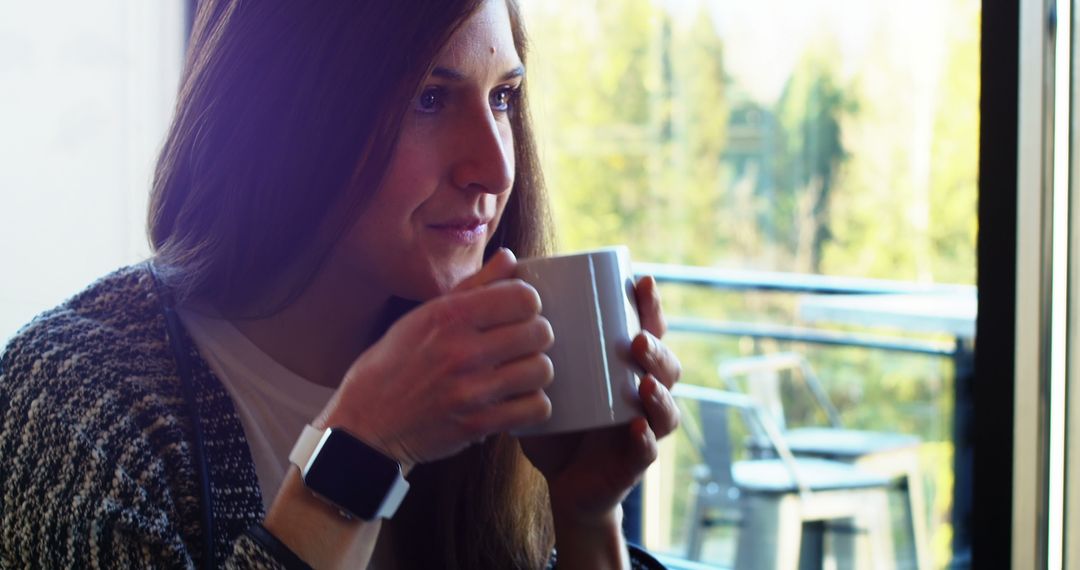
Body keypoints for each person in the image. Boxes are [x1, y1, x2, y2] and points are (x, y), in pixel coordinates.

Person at [0, 0, 682, 568]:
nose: (496, 168)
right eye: (430, 97)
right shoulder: (75, 400)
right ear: (293, 115)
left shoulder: (489, 399)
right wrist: (361, 452)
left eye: (503, 96)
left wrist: (586, 518)